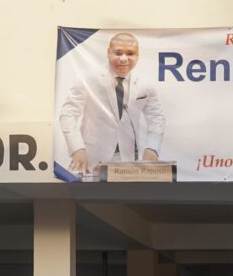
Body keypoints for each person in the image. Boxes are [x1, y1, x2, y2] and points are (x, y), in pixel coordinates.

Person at [59, 32, 165, 175]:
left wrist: (152, 148)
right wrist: (77, 149)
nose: (123, 58)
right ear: (108, 53)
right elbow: (68, 114)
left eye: (130, 53)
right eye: (118, 53)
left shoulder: (146, 84)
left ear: (138, 56)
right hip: (92, 158)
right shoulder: (87, 79)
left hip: (129, 160)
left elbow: (157, 118)